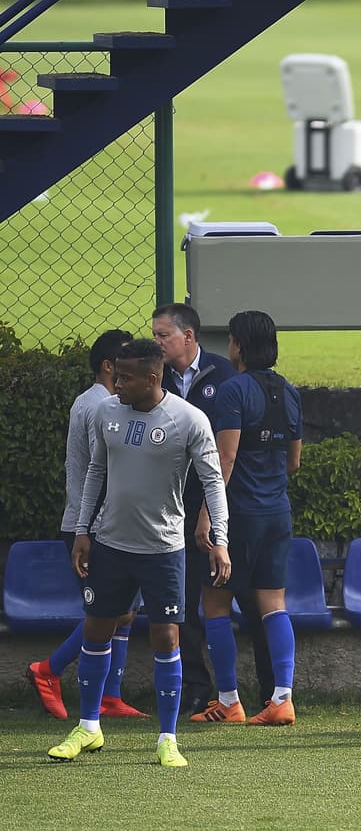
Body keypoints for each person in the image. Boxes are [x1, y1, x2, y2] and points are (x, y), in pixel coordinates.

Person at [47, 339, 230, 767]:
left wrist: (219, 539)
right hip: (109, 543)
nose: (117, 384)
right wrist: (82, 529)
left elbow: (213, 483)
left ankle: (168, 738)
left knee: (167, 636)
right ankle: (88, 727)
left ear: (153, 377)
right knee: (96, 630)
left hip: (163, 549)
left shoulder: (189, 420)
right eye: (116, 376)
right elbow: (96, 469)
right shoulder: (105, 412)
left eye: (125, 377)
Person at [153, 303, 274, 714]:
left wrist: (213, 506)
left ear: (188, 336)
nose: (157, 342)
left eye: (162, 335)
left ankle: (267, 690)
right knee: (185, 599)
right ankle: (197, 686)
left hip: (225, 506)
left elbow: (229, 455)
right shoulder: (155, 378)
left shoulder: (226, 377)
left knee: (250, 601)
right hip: (173, 506)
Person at [27, 329, 150, 721]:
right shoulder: (99, 407)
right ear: (109, 366)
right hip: (92, 525)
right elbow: (105, 469)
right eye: (126, 362)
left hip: (103, 523)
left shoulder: (100, 403)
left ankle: (111, 696)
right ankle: (49, 670)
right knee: (108, 612)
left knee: (124, 611)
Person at [190, 311, 303, 726]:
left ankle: (229, 701)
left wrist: (207, 518)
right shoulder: (289, 392)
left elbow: (225, 459)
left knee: (215, 602)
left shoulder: (232, 391)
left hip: (239, 515)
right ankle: (282, 700)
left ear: (237, 345)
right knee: (274, 604)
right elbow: (294, 461)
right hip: (278, 513)